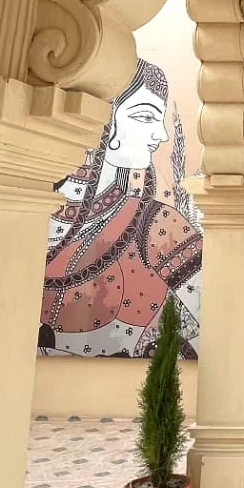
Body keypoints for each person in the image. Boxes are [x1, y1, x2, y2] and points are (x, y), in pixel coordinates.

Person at [39, 58, 203, 358]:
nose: (161, 135)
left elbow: (226, 319)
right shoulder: (28, 211)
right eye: (145, 116)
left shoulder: (158, 226)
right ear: (103, 119)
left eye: (160, 120)